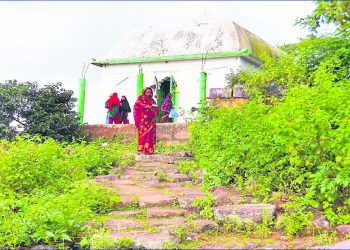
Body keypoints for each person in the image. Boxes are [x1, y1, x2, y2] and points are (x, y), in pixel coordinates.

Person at [133, 87, 158, 155]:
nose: (148, 94)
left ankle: (149, 149)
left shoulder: (153, 101)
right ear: (144, 92)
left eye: (150, 92)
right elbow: (136, 107)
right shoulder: (140, 99)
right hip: (143, 121)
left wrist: (152, 109)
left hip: (151, 121)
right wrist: (145, 106)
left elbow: (156, 109)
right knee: (143, 134)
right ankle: (141, 149)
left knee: (150, 135)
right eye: (147, 92)